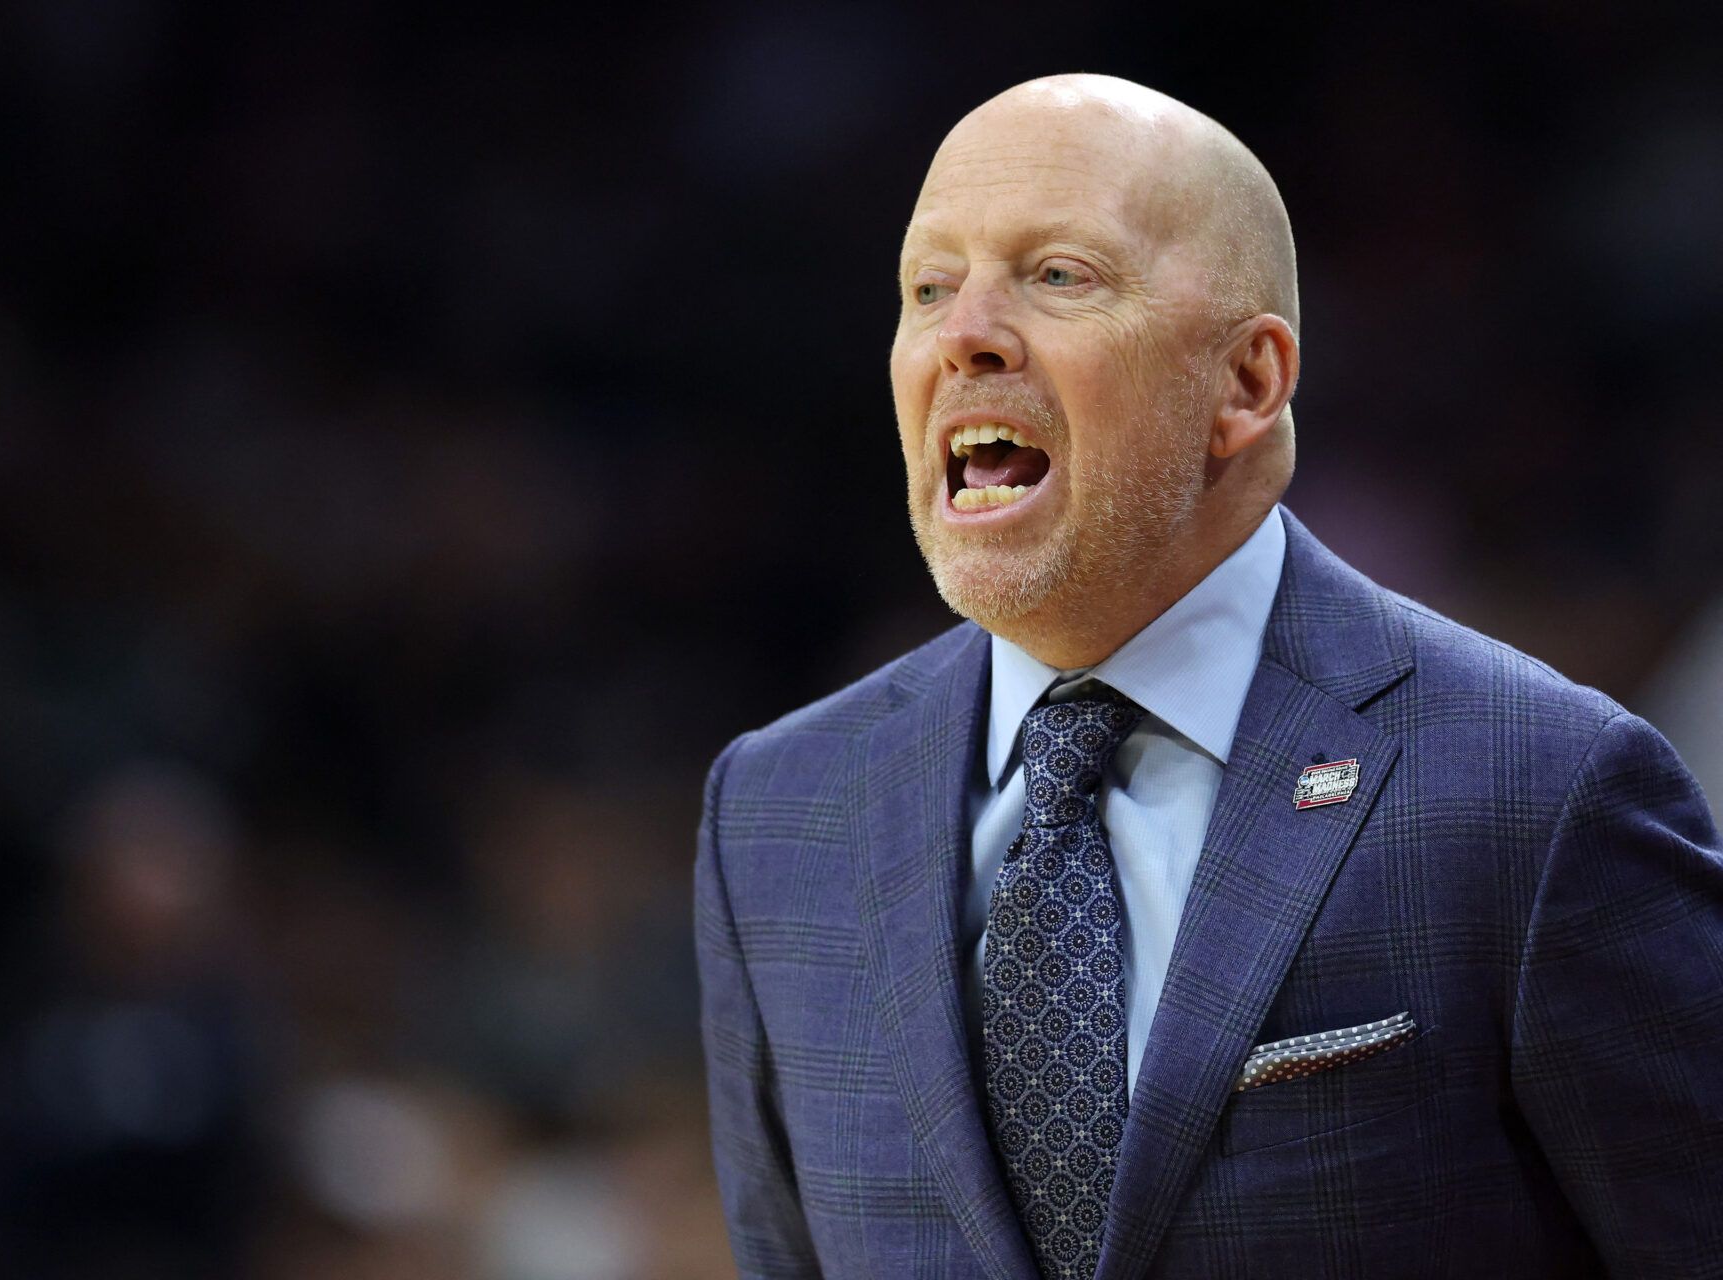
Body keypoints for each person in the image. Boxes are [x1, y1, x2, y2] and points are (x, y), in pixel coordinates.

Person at [693, 74, 1723, 1280]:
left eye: (1059, 275)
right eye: (929, 286)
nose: (964, 330)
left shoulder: (1536, 789)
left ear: (1246, 382)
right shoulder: (774, 815)